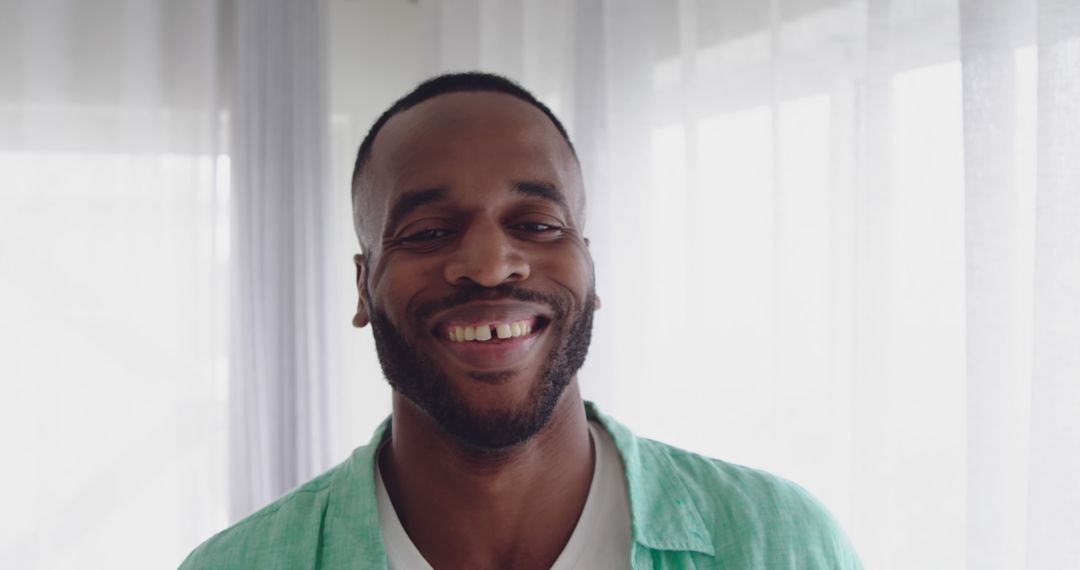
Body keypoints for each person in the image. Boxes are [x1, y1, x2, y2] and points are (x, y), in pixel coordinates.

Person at [180, 72, 862, 569]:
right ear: (363, 286)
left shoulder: (781, 544)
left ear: (588, 273)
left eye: (536, 224)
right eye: (426, 231)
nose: (489, 263)